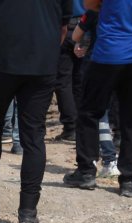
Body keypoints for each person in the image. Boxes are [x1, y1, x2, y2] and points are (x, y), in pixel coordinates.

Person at [0, 0, 70, 223]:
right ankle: (28, 211)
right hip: (42, 67)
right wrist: (44, 55)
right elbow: (63, 27)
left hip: (2, 62)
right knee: (34, 135)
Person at [62, 0, 132, 198]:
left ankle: (86, 171)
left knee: (89, 112)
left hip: (108, 54)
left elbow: (89, 4)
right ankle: (128, 179)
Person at [54, 0, 87, 141]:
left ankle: (70, 126)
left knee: (63, 81)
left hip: (65, 27)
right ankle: (80, 124)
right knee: (80, 80)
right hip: (86, 27)